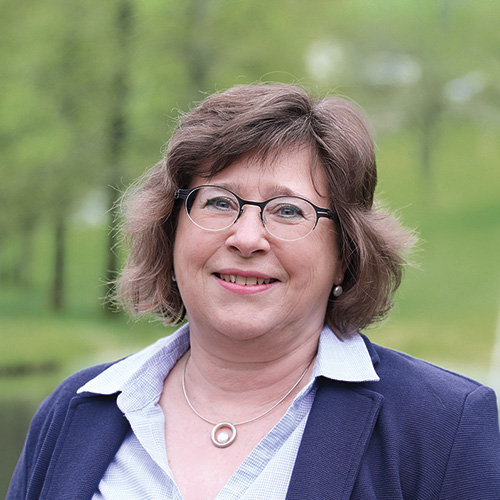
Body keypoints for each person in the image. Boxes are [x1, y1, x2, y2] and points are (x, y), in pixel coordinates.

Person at [8, 83, 500, 500]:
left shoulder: (443, 428)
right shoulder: (75, 411)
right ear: (170, 231)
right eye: (219, 202)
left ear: (345, 254)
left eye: (288, 211)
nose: (246, 239)